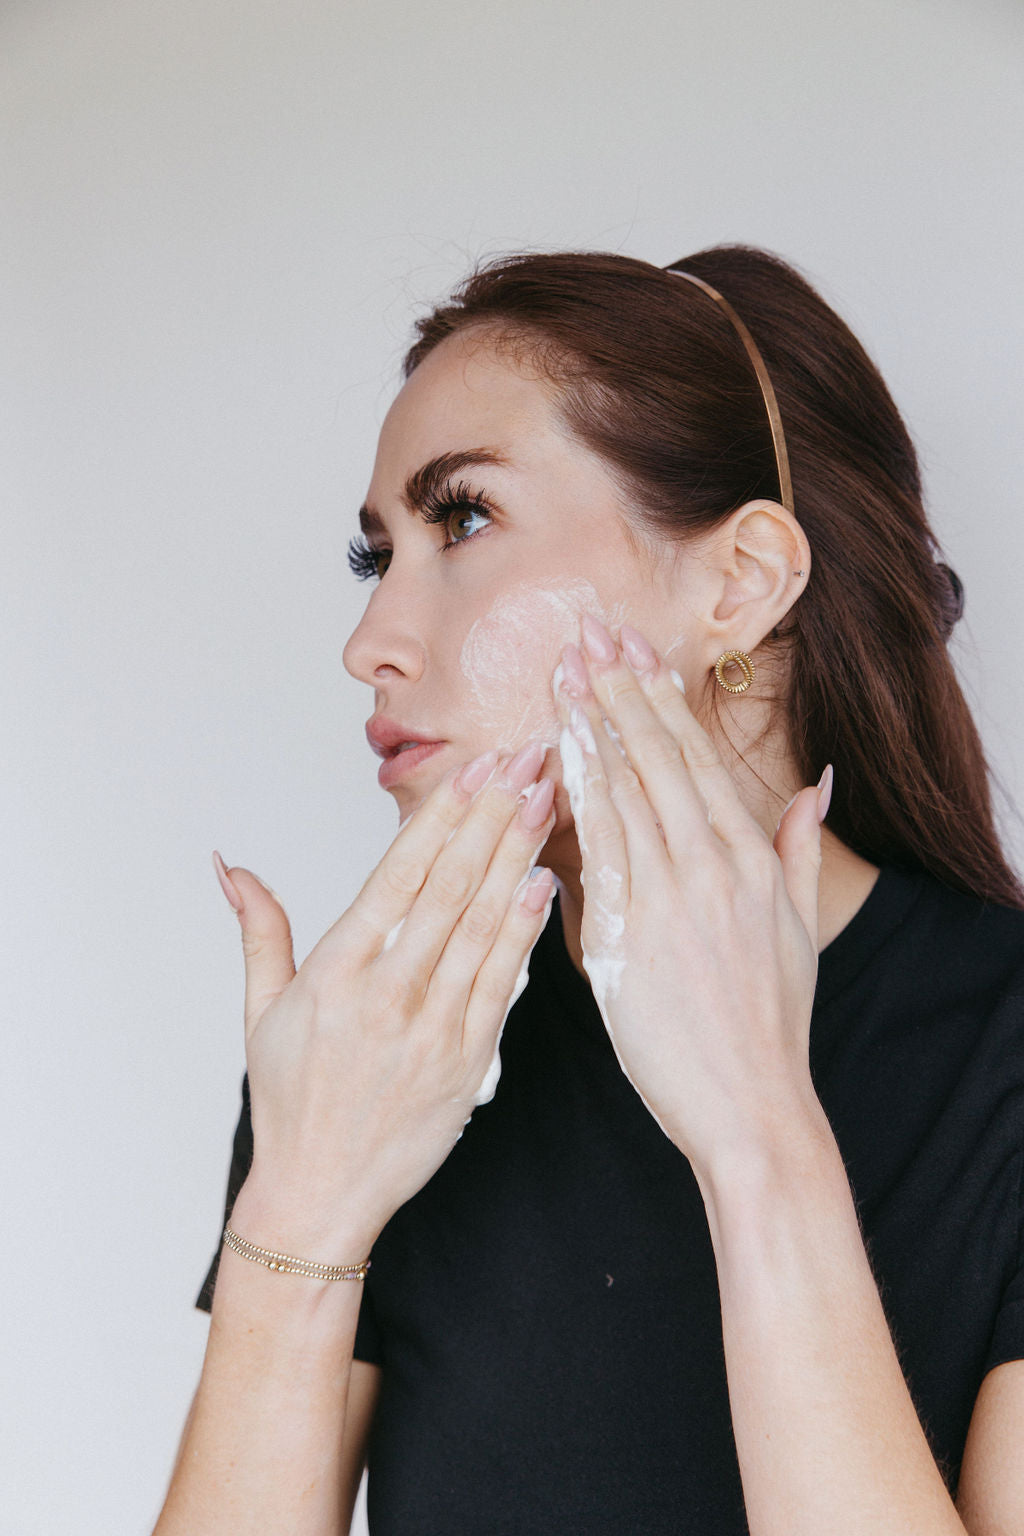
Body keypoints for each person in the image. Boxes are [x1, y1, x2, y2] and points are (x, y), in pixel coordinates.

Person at [154, 246, 1024, 1535]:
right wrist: (301, 1209)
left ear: (740, 582)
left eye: (463, 520)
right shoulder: (380, 1052)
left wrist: (759, 1138)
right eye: (375, 556)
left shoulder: (1000, 1053)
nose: (367, 644)